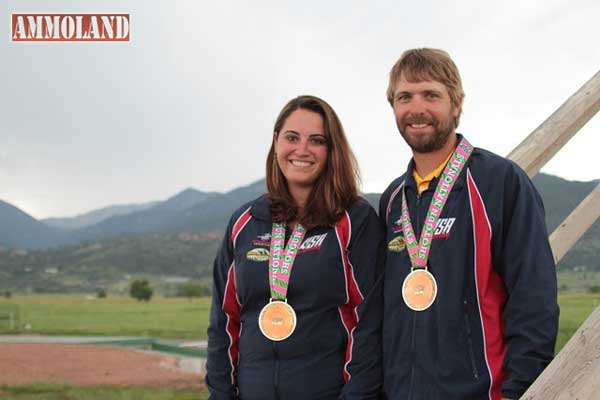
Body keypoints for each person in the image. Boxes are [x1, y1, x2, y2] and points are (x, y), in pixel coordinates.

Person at [379, 48, 559, 400]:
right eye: (405, 97)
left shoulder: (500, 182)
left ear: (456, 104)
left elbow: (533, 298)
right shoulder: (391, 201)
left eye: (431, 95)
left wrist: (518, 391)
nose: (417, 109)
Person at [206, 95, 384, 399]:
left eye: (316, 140)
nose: (302, 150)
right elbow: (224, 321)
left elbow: (370, 325)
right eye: (292, 137)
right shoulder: (244, 223)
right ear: (276, 141)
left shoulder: (355, 220)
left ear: (331, 151)